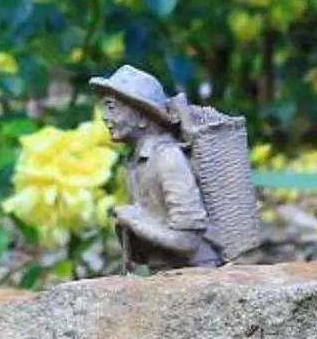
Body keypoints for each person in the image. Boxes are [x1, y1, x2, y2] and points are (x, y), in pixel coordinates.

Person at [89, 64, 221, 269]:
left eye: (112, 107)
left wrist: (136, 221)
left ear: (142, 116)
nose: (105, 117)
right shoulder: (137, 161)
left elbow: (189, 241)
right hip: (164, 270)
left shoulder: (168, 158)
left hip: (194, 272)